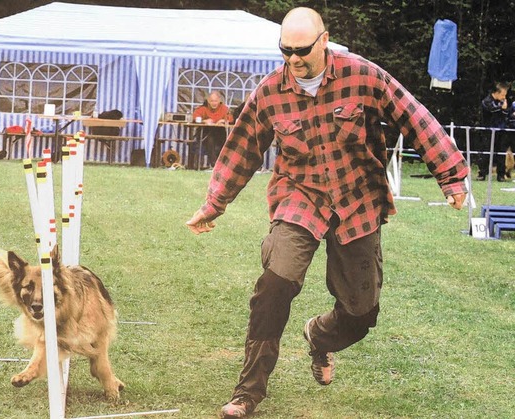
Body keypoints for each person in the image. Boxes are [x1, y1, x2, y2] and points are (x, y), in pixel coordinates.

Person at [185, 7, 469, 418]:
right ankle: (247, 393)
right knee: (274, 286)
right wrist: (213, 205)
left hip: (358, 200)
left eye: (302, 50)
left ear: (324, 40)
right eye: (286, 51)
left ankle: (319, 337)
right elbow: (241, 150)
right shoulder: (269, 93)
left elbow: (414, 116)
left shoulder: (363, 75)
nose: (294, 59)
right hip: (300, 197)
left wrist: (451, 176)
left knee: (360, 314)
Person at [190, 90, 233, 168]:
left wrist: (223, 120)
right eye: (212, 101)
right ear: (208, 101)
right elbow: (195, 117)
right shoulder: (203, 108)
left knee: (224, 141)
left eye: (216, 101)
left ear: (219, 101)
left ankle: (222, 165)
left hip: (219, 133)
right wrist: (204, 121)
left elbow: (230, 118)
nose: (214, 103)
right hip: (206, 133)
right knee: (210, 140)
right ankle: (214, 165)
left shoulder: (224, 108)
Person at [477, 82, 509, 181]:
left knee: (501, 153)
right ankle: (482, 173)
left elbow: (504, 114)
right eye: (503, 94)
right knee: (486, 152)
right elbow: (492, 111)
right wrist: (501, 108)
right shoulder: (487, 101)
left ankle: (501, 175)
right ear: (497, 92)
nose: (504, 97)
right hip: (488, 130)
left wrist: (504, 110)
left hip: (500, 130)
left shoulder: (502, 102)